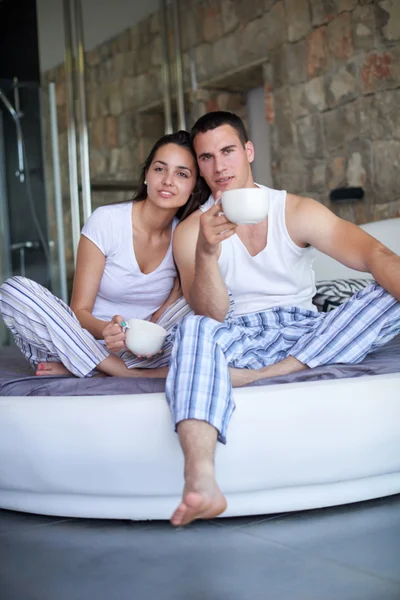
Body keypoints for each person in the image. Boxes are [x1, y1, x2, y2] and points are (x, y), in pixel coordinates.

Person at [166, 111, 400, 526]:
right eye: (206, 158)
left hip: (307, 331)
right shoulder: (191, 230)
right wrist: (206, 252)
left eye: (228, 151)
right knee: (193, 328)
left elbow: (374, 256)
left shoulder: (295, 210)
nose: (219, 167)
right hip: (240, 335)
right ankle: (200, 479)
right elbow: (212, 314)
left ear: (248, 151)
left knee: (387, 287)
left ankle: (264, 375)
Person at [0, 130, 207, 378]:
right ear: (146, 175)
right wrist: (108, 330)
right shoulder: (106, 221)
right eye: (160, 169)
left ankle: (88, 368)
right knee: (15, 291)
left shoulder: (183, 236)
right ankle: (116, 369)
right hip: (80, 340)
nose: (168, 181)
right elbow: (79, 311)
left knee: (208, 298)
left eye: (182, 174)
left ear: (194, 187)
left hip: (142, 352)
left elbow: (165, 314)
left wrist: (149, 332)